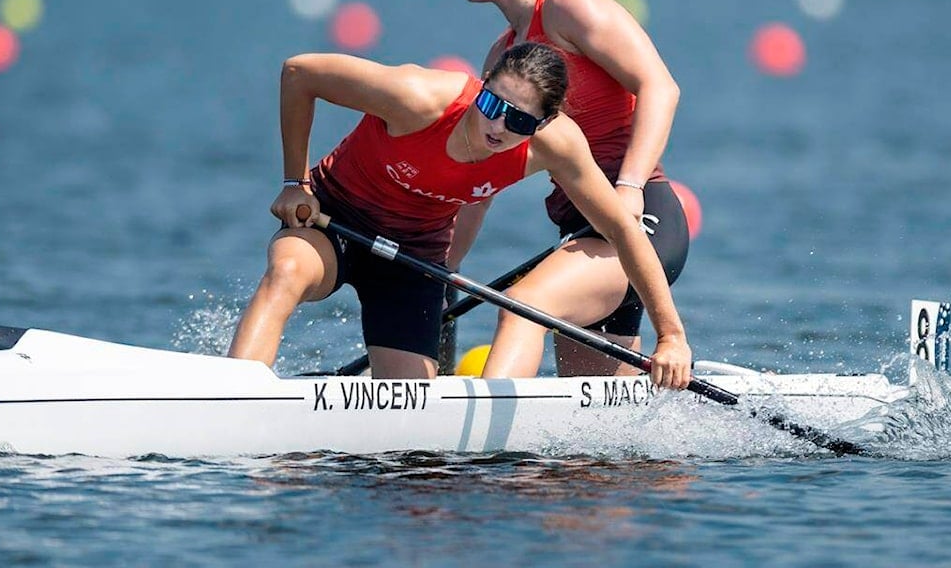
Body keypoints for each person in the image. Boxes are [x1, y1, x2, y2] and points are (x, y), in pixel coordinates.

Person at [228, 42, 693, 388]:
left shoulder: (557, 145)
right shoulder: (418, 97)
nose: (498, 126)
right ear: (482, 85)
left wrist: (671, 336)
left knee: (410, 413)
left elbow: (622, 231)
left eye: (520, 122)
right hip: (334, 222)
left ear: (544, 125)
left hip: (412, 257)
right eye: (493, 105)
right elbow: (299, 73)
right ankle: (233, 396)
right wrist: (295, 183)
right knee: (288, 270)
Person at [445, 0, 690, 380]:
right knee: (593, 434)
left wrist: (629, 188)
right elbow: (482, 181)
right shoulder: (502, 57)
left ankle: (487, 456)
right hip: (576, 232)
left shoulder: (566, 4)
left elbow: (660, 87)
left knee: (522, 305)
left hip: (638, 223)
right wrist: (445, 263)